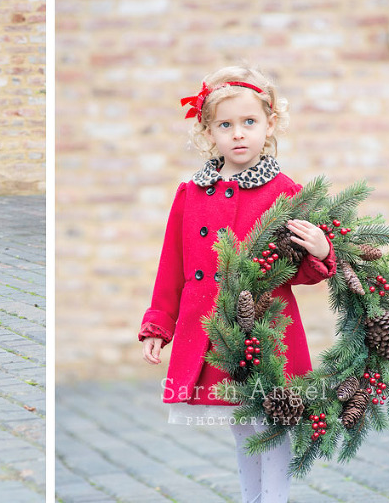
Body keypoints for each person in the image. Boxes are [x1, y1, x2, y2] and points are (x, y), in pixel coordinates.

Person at [139, 66, 336, 502]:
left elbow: (298, 270)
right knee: (242, 422)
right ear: (208, 132)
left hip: (267, 332)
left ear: (270, 125)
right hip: (213, 329)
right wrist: (159, 325)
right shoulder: (190, 194)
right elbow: (172, 266)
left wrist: (322, 250)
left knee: (272, 420)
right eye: (225, 125)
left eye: (250, 122)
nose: (238, 134)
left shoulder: (287, 193)